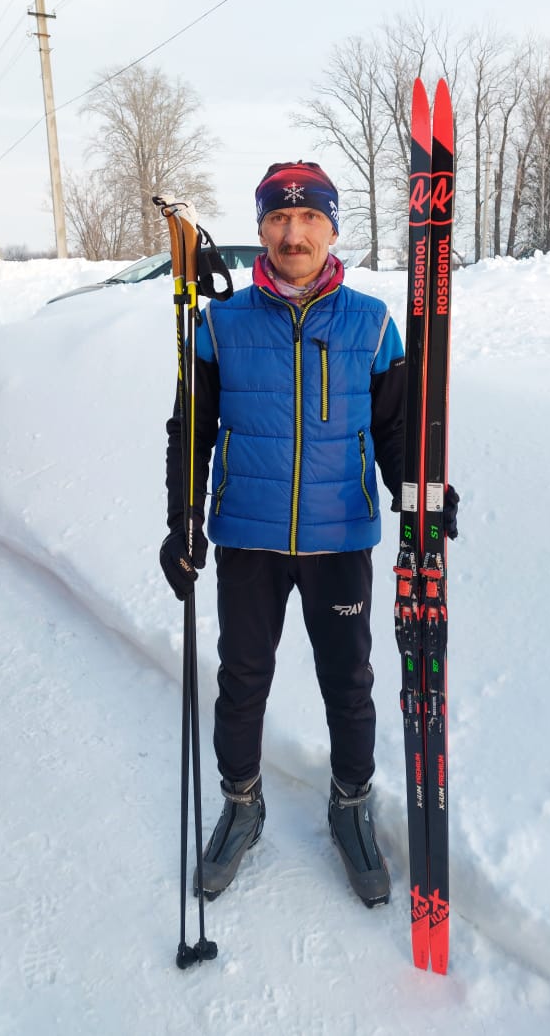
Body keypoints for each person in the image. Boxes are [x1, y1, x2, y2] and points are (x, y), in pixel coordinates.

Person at [160, 160, 458, 908]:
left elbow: (395, 432)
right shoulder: (219, 324)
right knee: (241, 679)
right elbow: (188, 432)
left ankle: (350, 805)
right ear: (259, 228)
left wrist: (420, 495)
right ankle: (241, 803)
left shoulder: (372, 323)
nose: (292, 233)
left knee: (348, 684)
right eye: (276, 219)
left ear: (332, 228)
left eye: (308, 219)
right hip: (248, 539)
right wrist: (181, 520)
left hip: (339, 539)